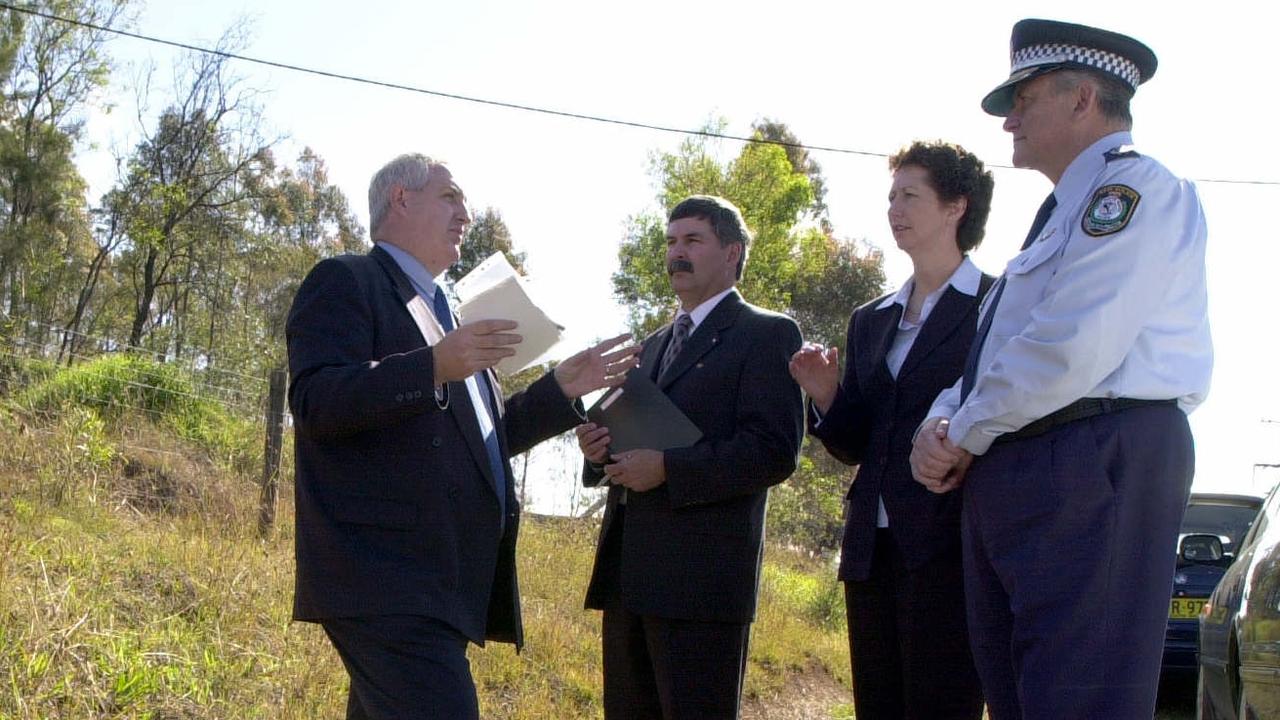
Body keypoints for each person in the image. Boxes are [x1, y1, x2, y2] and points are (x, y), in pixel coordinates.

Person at [909, 19, 1212, 720]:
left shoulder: (1133, 193)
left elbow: (1072, 344)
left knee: (1080, 700)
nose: (1010, 118)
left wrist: (965, 429)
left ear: (1082, 100)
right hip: (1023, 461)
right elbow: (996, 355)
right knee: (1023, 699)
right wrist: (942, 420)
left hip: (1090, 457)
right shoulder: (1054, 221)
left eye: (1025, 97)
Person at [286, 153, 639, 719]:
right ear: (401, 199)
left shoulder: (451, 315)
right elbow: (315, 401)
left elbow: (484, 442)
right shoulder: (348, 281)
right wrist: (430, 367)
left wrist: (558, 390)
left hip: (442, 586)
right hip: (385, 580)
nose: (466, 215)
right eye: (451, 197)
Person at [573, 195, 804, 719]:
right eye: (672, 241)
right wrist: (596, 453)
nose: (677, 252)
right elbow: (628, 439)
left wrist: (669, 470)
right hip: (629, 580)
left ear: (731, 253)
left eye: (693, 240)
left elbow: (774, 452)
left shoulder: (767, 334)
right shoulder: (651, 346)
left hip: (702, 588)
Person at [790, 140, 992, 719]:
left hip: (950, 545)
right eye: (891, 196)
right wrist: (826, 394)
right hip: (870, 549)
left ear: (957, 206)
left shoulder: (996, 304)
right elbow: (856, 445)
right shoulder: (870, 318)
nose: (894, 208)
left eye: (911, 195)